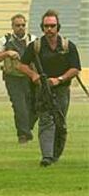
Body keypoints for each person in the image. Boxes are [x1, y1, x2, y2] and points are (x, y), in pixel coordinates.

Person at [18, 9, 81, 167]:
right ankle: (46, 156)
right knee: (46, 120)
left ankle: (55, 154)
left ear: (58, 27)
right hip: (43, 90)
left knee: (60, 122)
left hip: (61, 90)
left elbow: (75, 68)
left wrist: (59, 80)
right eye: (46, 26)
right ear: (42, 27)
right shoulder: (36, 46)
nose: (49, 29)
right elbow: (21, 65)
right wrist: (34, 76)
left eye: (52, 26)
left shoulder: (68, 46)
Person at [0, 14, 37, 144]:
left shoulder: (33, 40)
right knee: (19, 106)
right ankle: (23, 135)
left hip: (30, 77)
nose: (21, 28)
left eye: (23, 25)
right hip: (13, 78)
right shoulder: (5, 40)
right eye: (17, 25)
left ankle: (26, 129)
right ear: (12, 27)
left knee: (34, 106)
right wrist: (6, 53)